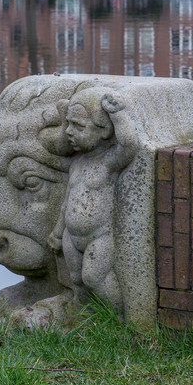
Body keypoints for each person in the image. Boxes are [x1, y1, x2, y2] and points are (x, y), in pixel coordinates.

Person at [47, 89, 134, 313]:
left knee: (94, 277)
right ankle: (89, 315)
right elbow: (67, 201)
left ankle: (117, 316)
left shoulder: (108, 163)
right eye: (68, 124)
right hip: (70, 235)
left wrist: (118, 114)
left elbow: (129, 146)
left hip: (99, 236)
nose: (69, 132)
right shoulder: (77, 164)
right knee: (76, 279)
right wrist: (58, 232)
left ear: (103, 131)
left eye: (78, 126)